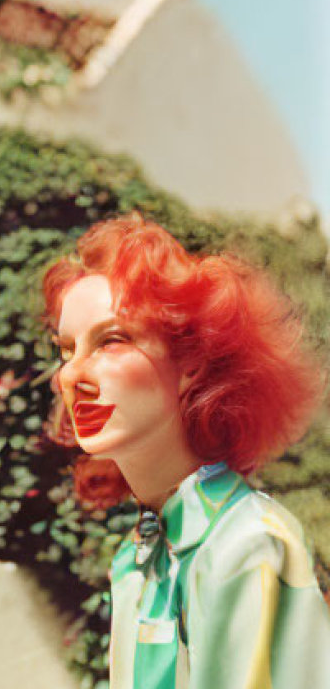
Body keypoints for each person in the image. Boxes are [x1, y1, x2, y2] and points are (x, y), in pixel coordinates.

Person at [42, 213, 330, 689]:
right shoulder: (138, 556)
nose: (70, 376)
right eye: (67, 350)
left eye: (112, 341)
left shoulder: (247, 543)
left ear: (191, 364)